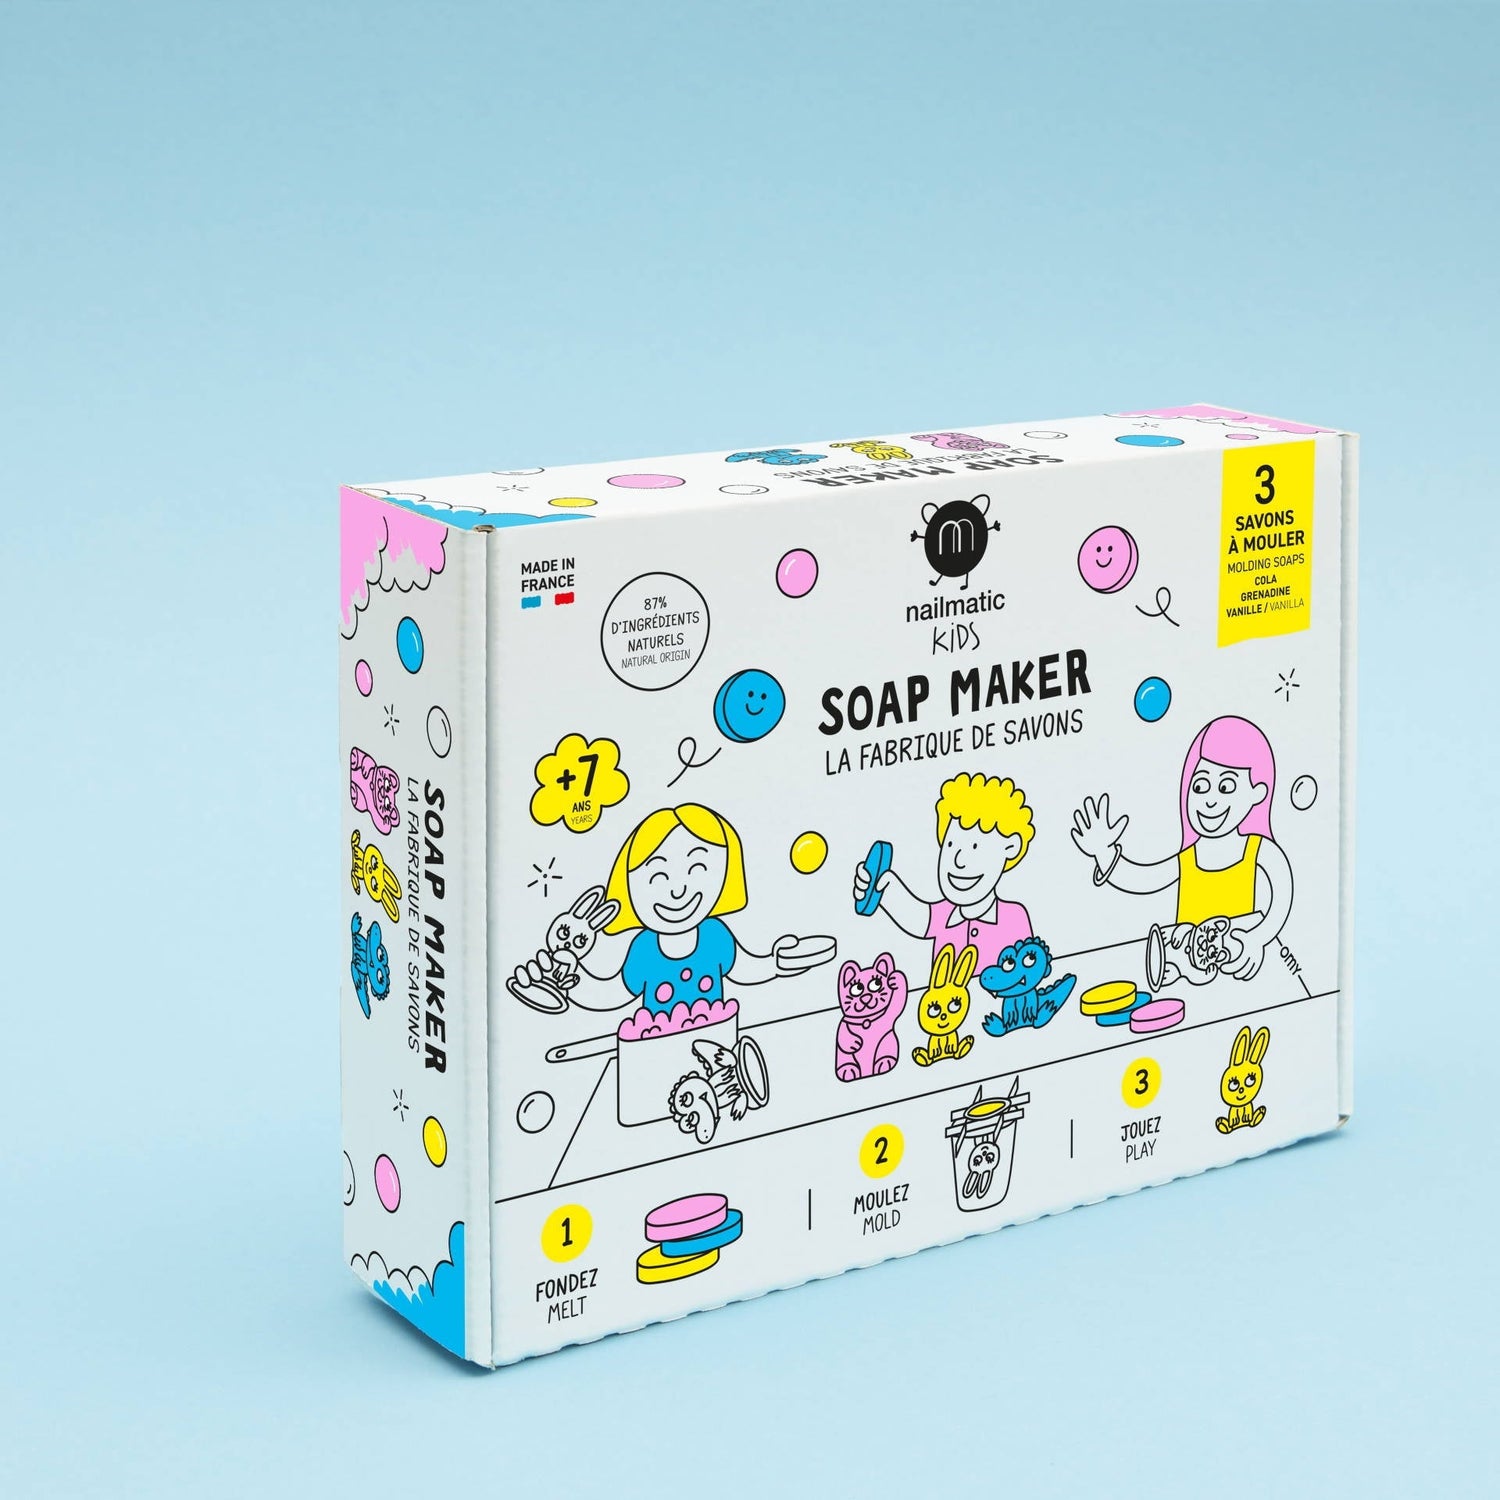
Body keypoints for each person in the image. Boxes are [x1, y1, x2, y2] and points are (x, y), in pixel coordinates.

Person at [1070, 716, 1293, 981]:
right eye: (1200, 786)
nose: (1210, 800)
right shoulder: (1188, 859)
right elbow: (1145, 879)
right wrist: (1104, 853)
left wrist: (1258, 938)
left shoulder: (1258, 850)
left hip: (1237, 952)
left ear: (1257, 793)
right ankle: (1178, 969)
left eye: (1225, 787)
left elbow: (1282, 897)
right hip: (1190, 961)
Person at [586, 803, 827, 1012]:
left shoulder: (715, 935)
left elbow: (745, 969)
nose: (678, 891)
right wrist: (574, 981)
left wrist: (776, 964)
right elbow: (613, 994)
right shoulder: (644, 949)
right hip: (656, 1044)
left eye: (697, 868)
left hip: (718, 1038)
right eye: (658, 877)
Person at [853, 772, 1036, 973]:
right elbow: (916, 916)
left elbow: (1029, 972)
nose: (958, 861)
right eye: (950, 845)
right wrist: (881, 886)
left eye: (975, 847)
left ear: (1011, 847)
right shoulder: (944, 915)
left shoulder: (1013, 918)